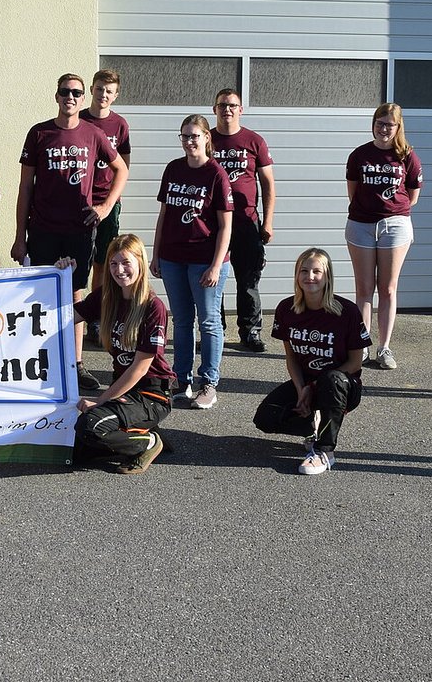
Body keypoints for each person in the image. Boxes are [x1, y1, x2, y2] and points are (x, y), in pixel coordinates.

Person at [12, 72, 128, 391]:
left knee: (75, 294)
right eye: (65, 92)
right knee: (40, 295)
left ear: (82, 98)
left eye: (76, 93)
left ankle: (75, 364)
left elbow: (121, 170)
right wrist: (19, 237)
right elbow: (25, 187)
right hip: (43, 229)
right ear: (57, 96)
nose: (71, 97)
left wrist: (105, 207)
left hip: (78, 231)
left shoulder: (93, 133)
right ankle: (37, 361)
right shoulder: (39, 133)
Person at [253, 247, 370, 476]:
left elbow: (355, 364)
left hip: (342, 387)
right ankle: (312, 426)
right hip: (306, 383)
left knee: (332, 379)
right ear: (297, 275)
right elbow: (292, 358)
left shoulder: (347, 311)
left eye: (317, 271)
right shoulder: (286, 309)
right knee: (265, 418)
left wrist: (313, 388)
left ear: (328, 276)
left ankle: (325, 451)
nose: (310, 276)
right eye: (304, 271)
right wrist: (301, 390)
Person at [68, 234, 173, 474]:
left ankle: (149, 442)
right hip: (123, 389)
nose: (119, 270)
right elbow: (64, 318)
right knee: (72, 449)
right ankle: (134, 429)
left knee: (91, 426)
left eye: (126, 262)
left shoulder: (153, 307)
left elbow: (140, 368)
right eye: (113, 263)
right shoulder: (107, 296)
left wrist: (101, 400)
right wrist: (62, 277)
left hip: (151, 394)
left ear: (140, 263)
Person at [151, 114, 231, 410]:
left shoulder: (216, 174)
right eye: (184, 136)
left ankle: (208, 383)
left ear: (206, 137)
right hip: (173, 258)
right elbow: (164, 215)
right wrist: (156, 253)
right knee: (182, 321)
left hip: (205, 261)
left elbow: (226, 226)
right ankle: (181, 380)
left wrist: (216, 264)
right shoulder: (173, 168)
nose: (188, 142)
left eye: (194, 136)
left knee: (209, 321)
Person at [345, 102, 423, 370]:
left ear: (398, 127)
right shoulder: (359, 155)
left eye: (390, 124)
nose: (384, 129)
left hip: (395, 225)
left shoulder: (408, 156)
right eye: (380, 123)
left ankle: (384, 347)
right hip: (361, 225)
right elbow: (353, 192)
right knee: (364, 289)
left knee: (388, 288)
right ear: (373, 124)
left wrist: (389, 211)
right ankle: (362, 345)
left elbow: (412, 196)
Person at [210, 88, 276, 352]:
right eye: (222, 105)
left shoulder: (254, 140)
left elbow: (268, 184)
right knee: (213, 279)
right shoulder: (207, 139)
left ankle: (250, 332)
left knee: (248, 281)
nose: (227, 110)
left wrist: (267, 222)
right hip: (212, 224)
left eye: (232, 105)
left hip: (246, 222)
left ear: (241, 109)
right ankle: (215, 330)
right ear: (214, 109)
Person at [84, 68, 131, 297]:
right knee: (79, 259)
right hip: (81, 200)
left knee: (103, 261)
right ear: (92, 89)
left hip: (107, 202)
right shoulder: (79, 119)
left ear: (115, 95)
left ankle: (98, 310)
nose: (103, 94)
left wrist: (110, 203)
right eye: (100, 89)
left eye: (109, 91)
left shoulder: (119, 124)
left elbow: (124, 167)